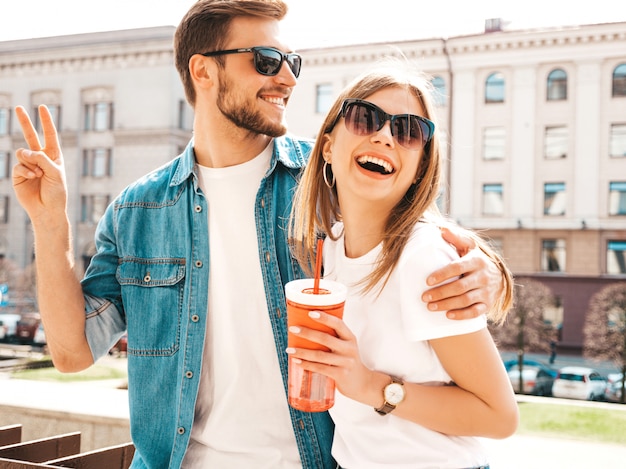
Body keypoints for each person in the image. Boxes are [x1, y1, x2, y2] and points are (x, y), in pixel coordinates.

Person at [12, 1, 509, 468]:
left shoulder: (330, 176)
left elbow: (419, 230)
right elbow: (73, 352)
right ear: (203, 71)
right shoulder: (137, 211)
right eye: (267, 60)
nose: (288, 76)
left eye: (292, 60)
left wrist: (489, 271)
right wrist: (49, 222)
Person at [287, 61, 518, 468]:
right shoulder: (332, 247)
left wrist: (370, 386)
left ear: (418, 169)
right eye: (364, 118)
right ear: (327, 146)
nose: (384, 136)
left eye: (408, 131)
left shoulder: (423, 258)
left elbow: (499, 416)